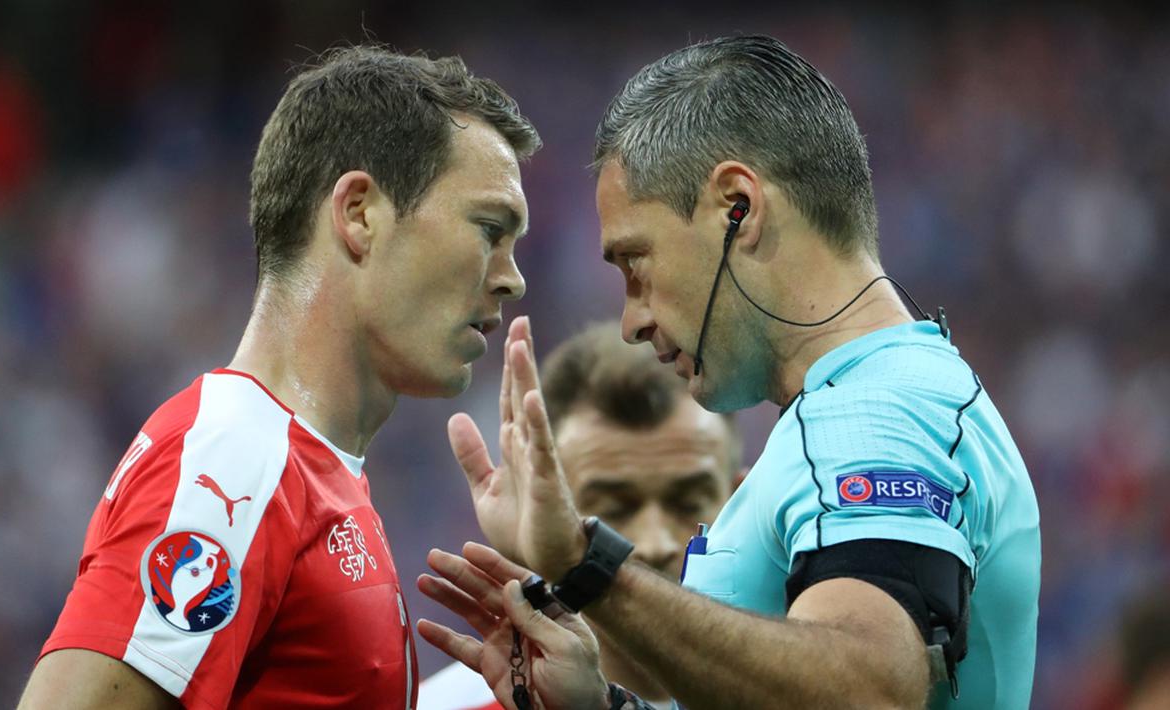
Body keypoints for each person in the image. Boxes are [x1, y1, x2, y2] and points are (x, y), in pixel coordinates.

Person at [418, 35, 1040, 709]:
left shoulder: (875, 411)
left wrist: (582, 563)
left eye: (636, 264)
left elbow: (867, 690)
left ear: (735, 208)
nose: (631, 321)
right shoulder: (869, 399)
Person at [17, 45, 540, 709]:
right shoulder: (237, 460)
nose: (512, 277)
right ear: (358, 214)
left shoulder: (307, 469)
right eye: (490, 228)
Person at [416, 322, 743, 709]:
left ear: (741, 499)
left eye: (688, 503)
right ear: (536, 515)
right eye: (612, 508)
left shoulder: (810, 679)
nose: (655, 544)